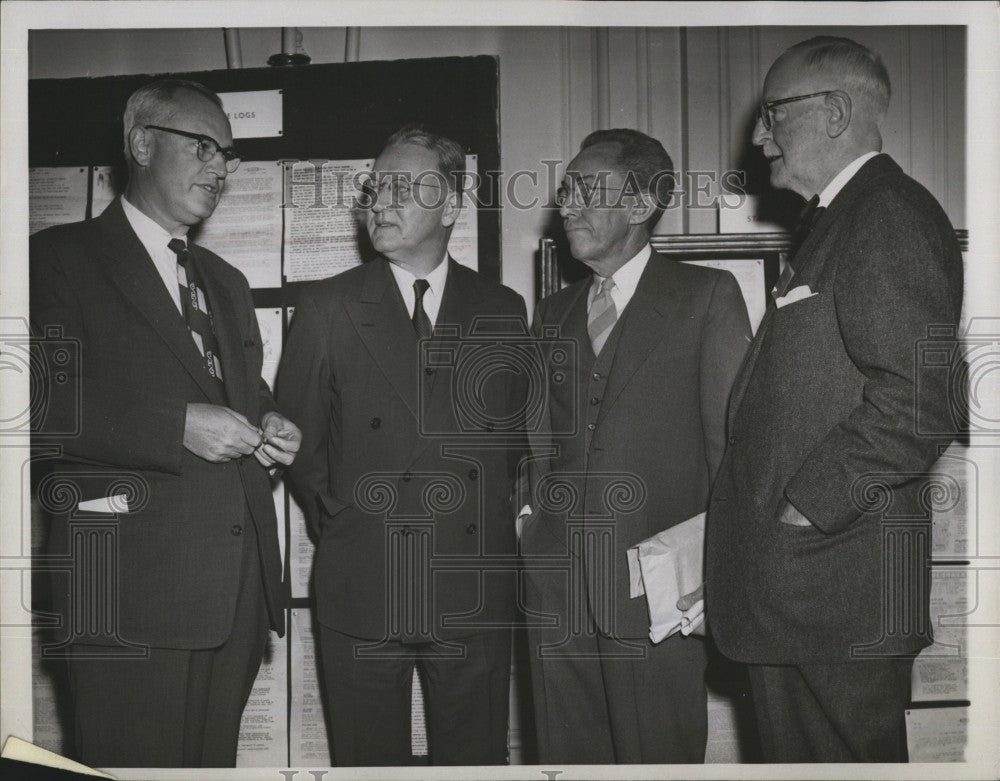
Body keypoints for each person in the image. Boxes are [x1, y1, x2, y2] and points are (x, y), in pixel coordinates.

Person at [705, 36, 964, 762]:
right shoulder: (843, 218)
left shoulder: (885, 212)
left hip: (831, 594)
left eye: (772, 113)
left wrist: (804, 507)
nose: (758, 136)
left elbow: (921, 400)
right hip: (808, 597)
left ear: (835, 111)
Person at [30, 79, 301, 767]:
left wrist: (268, 419)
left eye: (229, 155)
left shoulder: (226, 281)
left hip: (234, 594)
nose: (220, 167)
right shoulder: (55, 259)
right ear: (142, 144)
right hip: (126, 592)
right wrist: (174, 423)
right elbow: (30, 402)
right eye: (203, 146)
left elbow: (232, 386)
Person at [277, 126, 528, 766]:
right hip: (364, 582)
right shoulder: (328, 305)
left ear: (450, 206)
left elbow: (515, 446)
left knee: (473, 766)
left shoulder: (502, 308)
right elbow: (298, 441)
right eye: (374, 188)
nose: (379, 202)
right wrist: (342, 517)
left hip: (471, 589)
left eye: (401, 187)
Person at [519, 128, 752, 764]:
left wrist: (719, 573)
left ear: (643, 204)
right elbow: (535, 442)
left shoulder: (707, 297)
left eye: (587, 191)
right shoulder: (553, 313)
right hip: (556, 595)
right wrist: (527, 527)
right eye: (566, 192)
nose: (568, 207)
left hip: (660, 599)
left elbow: (734, 452)